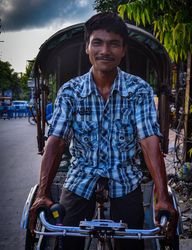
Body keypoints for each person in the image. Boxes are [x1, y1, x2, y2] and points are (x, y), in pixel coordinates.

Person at [29, 12, 178, 250]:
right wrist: (43, 192)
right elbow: (56, 141)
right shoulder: (71, 91)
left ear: (123, 50)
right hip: (80, 177)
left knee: (132, 243)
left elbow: (149, 141)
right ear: (87, 47)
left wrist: (162, 196)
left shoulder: (139, 90)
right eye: (97, 42)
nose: (105, 51)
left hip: (125, 179)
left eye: (113, 44)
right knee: (67, 241)